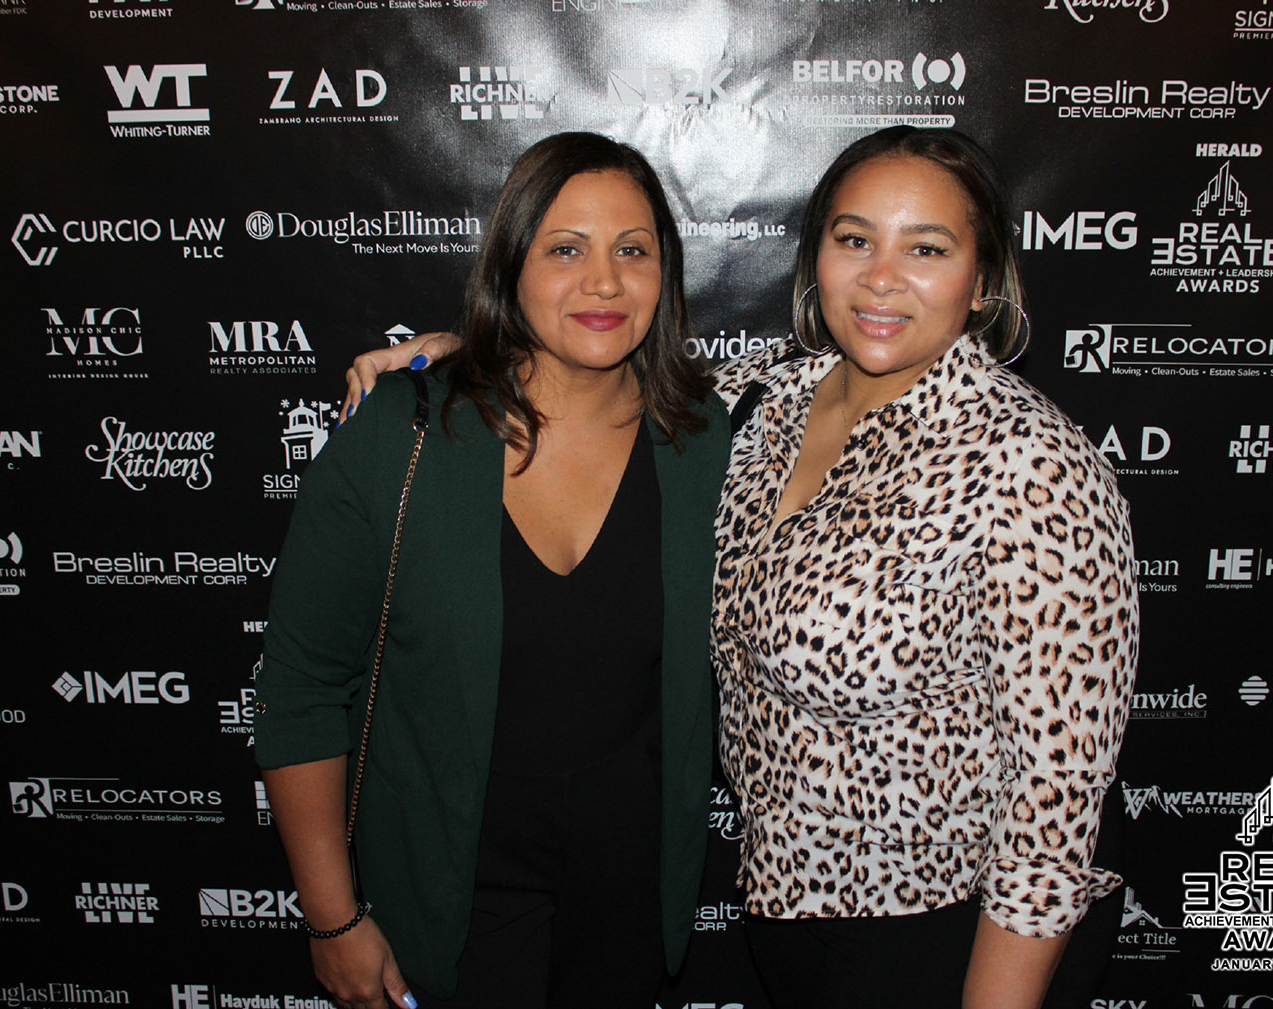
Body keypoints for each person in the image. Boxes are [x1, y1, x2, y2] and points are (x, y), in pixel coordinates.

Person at [347, 126, 1138, 1009]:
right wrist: (461, 353)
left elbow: (1055, 806)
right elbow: (595, 374)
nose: (882, 276)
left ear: (983, 279)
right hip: (785, 915)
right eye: (854, 239)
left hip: (945, 930)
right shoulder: (763, 398)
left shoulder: (1035, 466)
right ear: (815, 260)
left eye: (927, 248)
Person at [256, 131, 730, 1009]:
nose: (605, 282)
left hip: (628, 915)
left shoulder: (709, 444)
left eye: (633, 250)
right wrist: (330, 917)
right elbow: (301, 688)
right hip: (447, 910)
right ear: (511, 264)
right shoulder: (400, 436)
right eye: (565, 250)